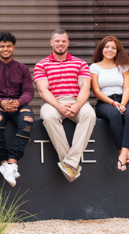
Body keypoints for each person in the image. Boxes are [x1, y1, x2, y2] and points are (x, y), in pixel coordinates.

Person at [34, 29, 96, 182]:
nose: (60, 44)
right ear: (51, 42)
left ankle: (70, 162)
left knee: (89, 114)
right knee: (48, 116)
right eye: (57, 41)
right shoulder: (41, 65)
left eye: (63, 41)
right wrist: (59, 106)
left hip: (77, 100)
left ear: (68, 43)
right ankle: (70, 164)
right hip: (53, 102)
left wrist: (77, 105)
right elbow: (43, 91)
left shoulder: (80, 63)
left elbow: (85, 88)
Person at [0, 32, 34, 187]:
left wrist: (18, 103)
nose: (5, 49)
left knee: (27, 120)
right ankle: (3, 162)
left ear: (14, 47)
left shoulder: (23, 69)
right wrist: (0, 102)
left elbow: (29, 91)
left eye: (8, 46)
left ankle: (12, 163)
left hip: (19, 104)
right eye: (2, 46)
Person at [90, 36, 129, 171]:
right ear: (102, 49)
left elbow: (127, 88)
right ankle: (124, 155)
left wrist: (122, 104)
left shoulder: (124, 66)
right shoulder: (94, 67)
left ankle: (123, 156)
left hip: (123, 99)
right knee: (115, 115)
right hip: (105, 102)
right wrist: (113, 103)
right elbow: (96, 91)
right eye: (107, 47)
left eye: (113, 48)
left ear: (117, 51)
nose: (109, 50)